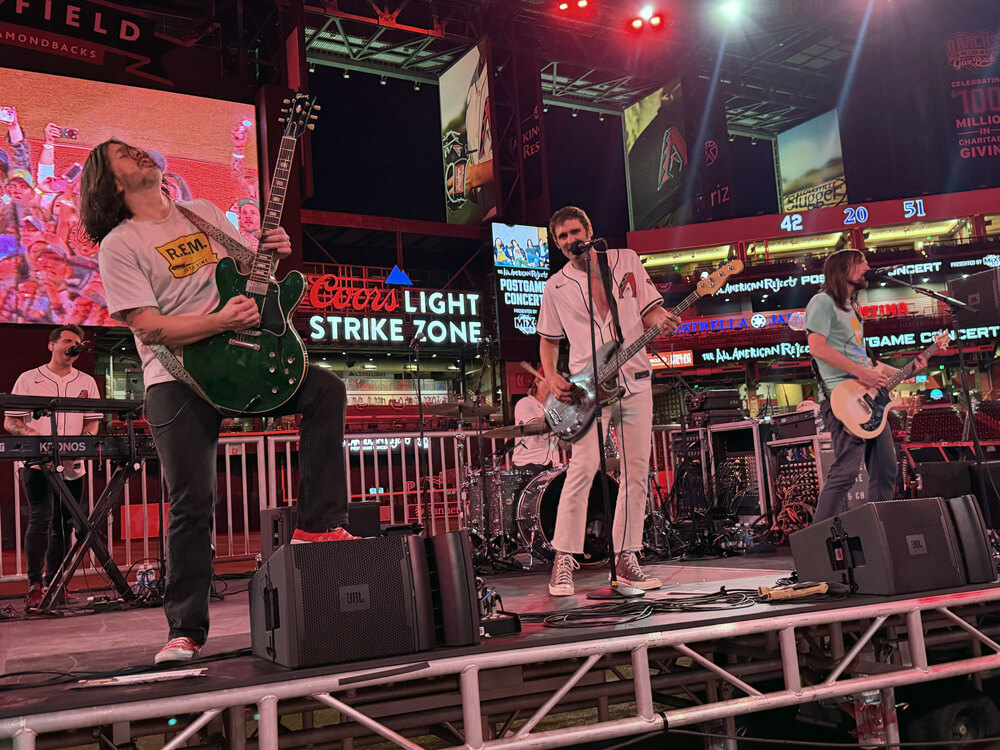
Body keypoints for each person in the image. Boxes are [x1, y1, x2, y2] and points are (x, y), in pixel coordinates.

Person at [80, 138, 357, 664]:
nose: (137, 152)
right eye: (122, 153)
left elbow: (257, 274)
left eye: (137, 148)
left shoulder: (201, 213)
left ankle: (317, 525)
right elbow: (149, 325)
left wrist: (271, 252)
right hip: (176, 377)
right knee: (193, 502)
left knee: (326, 389)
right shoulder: (120, 244)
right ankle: (185, 630)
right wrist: (220, 321)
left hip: (242, 362)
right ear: (110, 181)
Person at [536, 206, 681, 595]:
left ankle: (627, 555)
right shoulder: (556, 286)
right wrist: (551, 377)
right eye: (561, 237)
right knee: (584, 467)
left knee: (637, 470)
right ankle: (564, 559)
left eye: (573, 232)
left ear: (589, 230)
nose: (569, 241)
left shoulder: (625, 261)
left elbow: (650, 311)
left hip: (635, 378)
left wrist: (662, 321)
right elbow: (549, 340)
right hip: (588, 387)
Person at [805, 249, 927, 522]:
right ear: (843, 269)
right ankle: (816, 542)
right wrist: (863, 373)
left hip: (869, 400)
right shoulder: (822, 302)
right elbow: (816, 347)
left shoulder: (853, 310)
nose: (868, 267)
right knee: (846, 471)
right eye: (862, 263)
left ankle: (878, 532)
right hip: (843, 398)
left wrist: (907, 370)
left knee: (885, 469)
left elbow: (869, 365)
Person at [3, 324, 101, 611]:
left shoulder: (86, 381)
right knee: (41, 517)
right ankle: (35, 585)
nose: (74, 345)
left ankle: (58, 582)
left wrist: (83, 441)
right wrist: (37, 440)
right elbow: (11, 421)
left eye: (78, 342)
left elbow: (92, 421)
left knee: (63, 524)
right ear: (52, 345)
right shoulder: (28, 379)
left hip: (72, 464)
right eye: (68, 341)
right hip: (36, 464)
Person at [511, 371, 557, 474]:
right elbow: (534, 426)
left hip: (552, 463)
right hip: (529, 464)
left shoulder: (553, 404)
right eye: (549, 380)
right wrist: (556, 410)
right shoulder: (525, 403)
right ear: (537, 382)